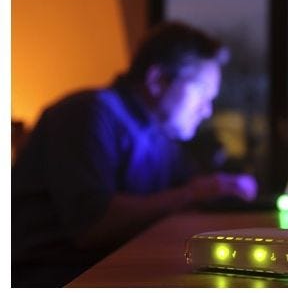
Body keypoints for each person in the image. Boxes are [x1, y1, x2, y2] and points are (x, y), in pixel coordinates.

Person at [11, 21, 258, 287]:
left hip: (110, 264)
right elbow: (93, 224)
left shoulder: (158, 134)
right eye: (202, 92)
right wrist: (194, 193)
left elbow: (190, 185)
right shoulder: (87, 114)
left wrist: (219, 187)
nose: (207, 110)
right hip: (58, 276)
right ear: (157, 80)